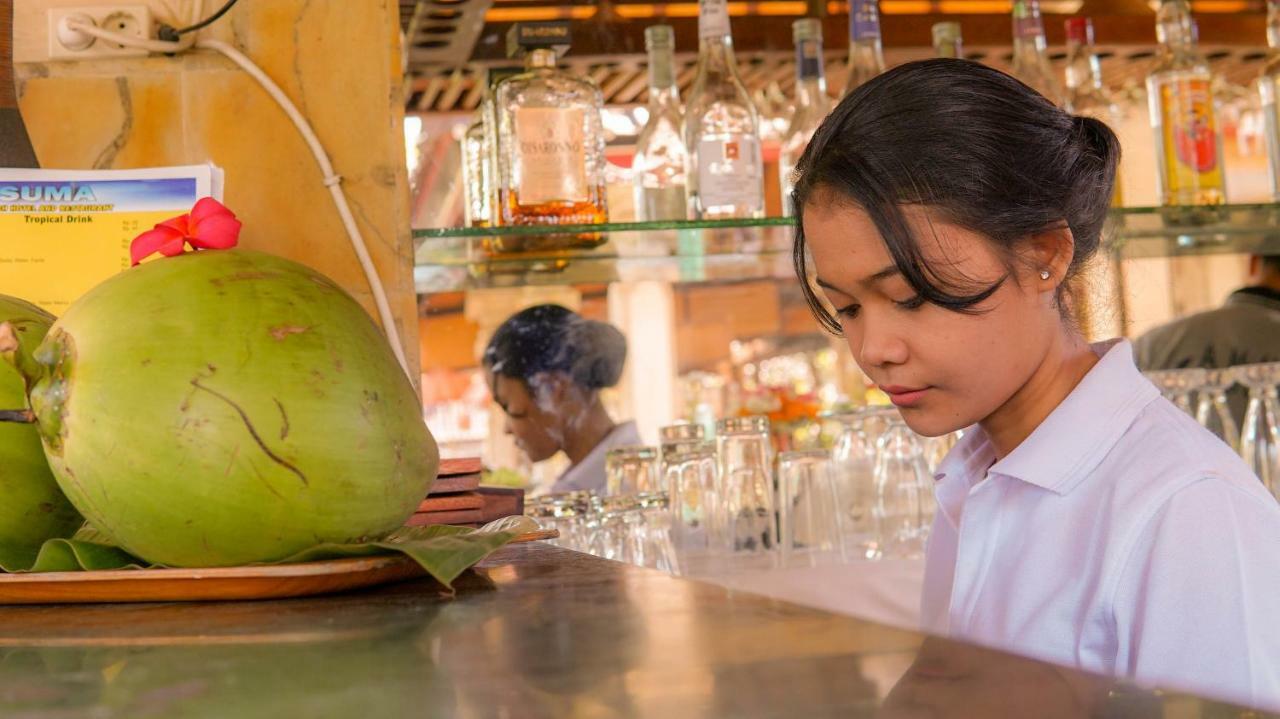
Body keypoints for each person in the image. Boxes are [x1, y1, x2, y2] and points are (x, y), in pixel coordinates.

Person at [790, 58, 1280, 711]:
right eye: (846, 308)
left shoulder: (1185, 511)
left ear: (1046, 254)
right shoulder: (974, 480)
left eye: (910, 296)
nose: (873, 350)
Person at [483, 304, 640, 494]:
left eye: (509, 407)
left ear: (552, 389)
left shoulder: (625, 490)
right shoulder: (589, 482)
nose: (507, 429)